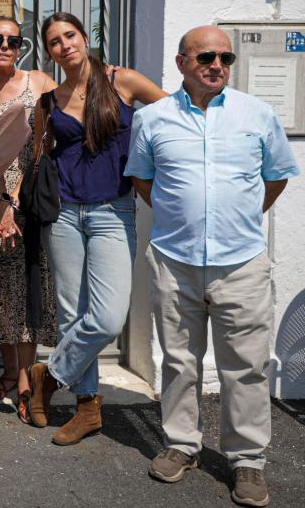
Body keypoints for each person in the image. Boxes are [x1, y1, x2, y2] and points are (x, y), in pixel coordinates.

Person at [127, 26, 299, 507]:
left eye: (225, 57)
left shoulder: (257, 114)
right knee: (179, 360)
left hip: (241, 262)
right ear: (182, 62)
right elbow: (143, 179)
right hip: (174, 259)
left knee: (245, 367)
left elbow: (276, 177)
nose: (217, 65)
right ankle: (182, 444)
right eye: (206, 56)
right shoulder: (153, 118)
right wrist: (182, 217)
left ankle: (247, 460)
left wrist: (235, 218)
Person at [26, 12, 165, 446]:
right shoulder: (48, 101)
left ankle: (48, 376)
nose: (64, 45)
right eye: (54, 41)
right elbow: (41, 155)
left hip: (113, 211)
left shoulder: (123, 80)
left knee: (107, 317)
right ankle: (87, 408)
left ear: (84, 38)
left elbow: (173, 116)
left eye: (70, 35)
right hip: (64, 213)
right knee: (72, 312)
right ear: (49, 52)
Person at [0, 16, 57, 424]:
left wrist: (16, 195)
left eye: (13, 41)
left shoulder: (38, 83)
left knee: (27, 286)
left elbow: (51, 139)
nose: (5, 46)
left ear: (21, 47)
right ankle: (9, 372)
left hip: (30, 197)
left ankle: (26, 381)